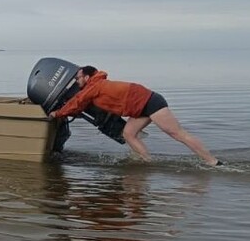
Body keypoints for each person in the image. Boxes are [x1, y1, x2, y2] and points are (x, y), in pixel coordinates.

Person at [49, 66, 221, 166]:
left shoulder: (94, 87)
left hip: (151, 103)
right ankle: (147, 162)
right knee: (128, 134)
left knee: (178, 134)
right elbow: (81, 105)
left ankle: (213, 162)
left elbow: (77, 102)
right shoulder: (95, 86)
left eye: (77, 78)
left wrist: (57, 113)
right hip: (139, 108)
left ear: (87, 77)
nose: (76, 81)